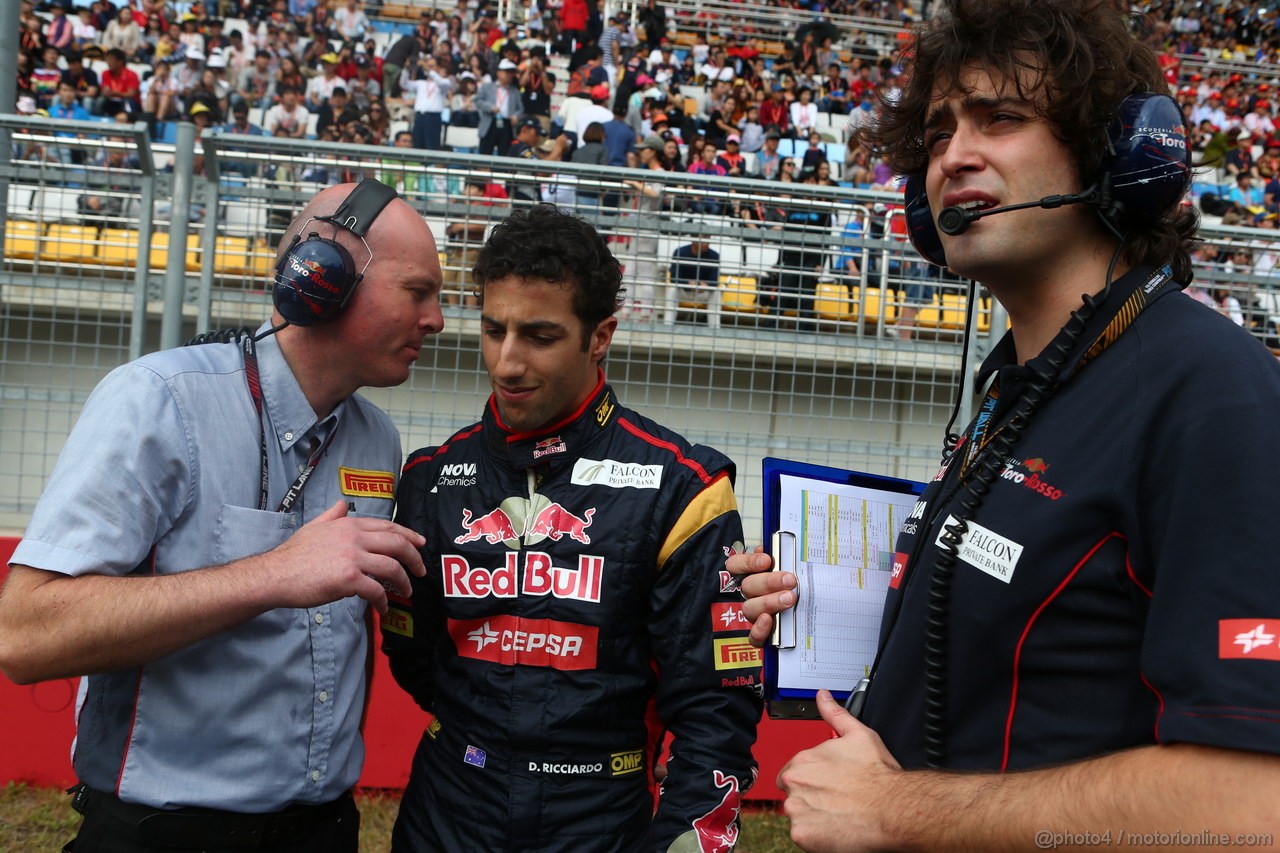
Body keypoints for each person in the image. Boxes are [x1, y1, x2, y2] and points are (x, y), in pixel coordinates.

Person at [728, 1, 1280, 849]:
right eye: (941, 130)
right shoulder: (1020, 383)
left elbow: (1254, 807)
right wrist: (820, 607)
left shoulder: (1211, 389)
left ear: (1116, 156)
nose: (954, 155)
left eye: (1002, 118)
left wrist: (898, 810)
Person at [0, 180, 445, 852]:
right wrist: (274, 573)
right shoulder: (157, 402)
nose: (437, 318)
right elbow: (25, 635)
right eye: (418, 291)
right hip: (163, 834)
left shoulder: (377, 439)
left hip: (323, 830)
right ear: (323, 276)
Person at [382, 204, 761, 852]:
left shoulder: (684, 488)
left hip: (601, 819)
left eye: (539, 335)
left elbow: (715, 711)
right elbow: (413, 659)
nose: (506, 362)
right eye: (493, 329)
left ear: (600, 335)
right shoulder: (429, 479)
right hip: (445, 812)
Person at [670, 233, 721, 325]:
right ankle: (668, 325)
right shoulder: (680, 252)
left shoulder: (714, 256)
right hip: (684, 291)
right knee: (672, 289)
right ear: (693, 239)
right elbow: (673, 278)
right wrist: (688, 284)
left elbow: (715, 281)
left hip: (702, 292)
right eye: (704, 238)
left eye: (708, 238)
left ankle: (714, 329)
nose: (707, 242)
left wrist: (705, 285)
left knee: (716, 293)